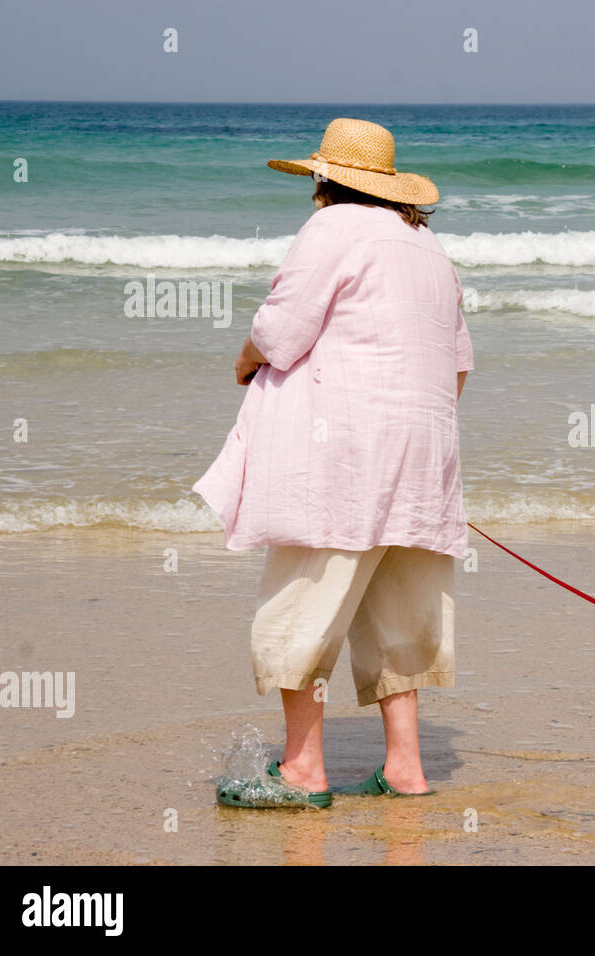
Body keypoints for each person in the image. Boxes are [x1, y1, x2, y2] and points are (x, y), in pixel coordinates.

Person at [195, 118, 474, 808]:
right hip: (423, 453)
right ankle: (406, 769)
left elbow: (283, 330)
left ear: (326, 181)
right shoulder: (426, 244)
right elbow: (460, 364)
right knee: (398, 608)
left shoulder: (331, 230)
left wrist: (245, 358)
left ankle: (301, 770)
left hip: (341, 451)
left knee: (304, 603)